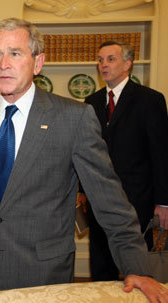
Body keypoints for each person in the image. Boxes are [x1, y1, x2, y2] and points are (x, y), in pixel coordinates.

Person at [0, 18, 168, 303]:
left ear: (38, 62)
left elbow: (110, 202)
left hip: (40, 275)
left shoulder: (73, 118)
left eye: (15, 53)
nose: (3, 63)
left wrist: (137, 268)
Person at [77, 41, 168, 281]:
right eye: (99, 60)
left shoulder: (150, 100)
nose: (103, 65)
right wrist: (81, 191)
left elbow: (161, 154)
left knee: (138, 270)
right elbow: (84, 152)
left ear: (128, 64)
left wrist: (163, 202)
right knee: (101, 266)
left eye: (110, 59)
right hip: (99, 199)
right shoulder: (92, 102)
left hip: (138, 199)